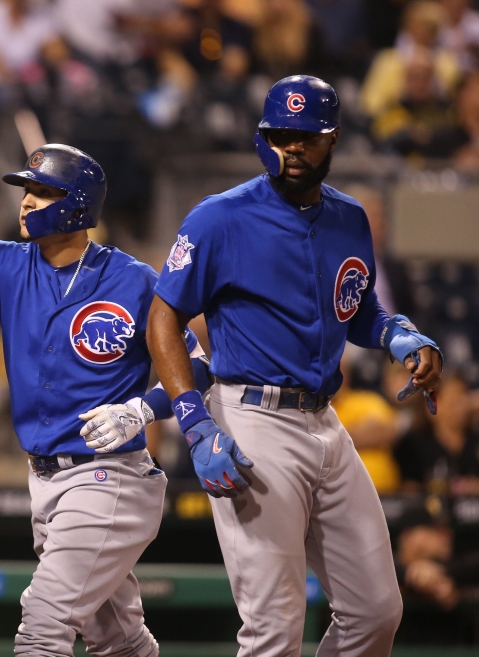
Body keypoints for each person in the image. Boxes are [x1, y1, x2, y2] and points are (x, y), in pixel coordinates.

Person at [0, 79, 209, 657]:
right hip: (45, 480)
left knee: (41, 629)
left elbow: (199, 366)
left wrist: (142, 408)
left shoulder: (133, 279)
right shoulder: (6, 264)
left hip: (109, 475)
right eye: (26, 190)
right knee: (119, 641)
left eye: (41, 191)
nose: (27, 201)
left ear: (77, 203)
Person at [146, 75, 444, 657]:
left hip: (326, 424)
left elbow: (356, 307)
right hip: (251, 420)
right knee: (274, 630)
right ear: (263, 136)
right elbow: (163, 318)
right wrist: (194, 421)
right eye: (282, 134)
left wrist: (398, 334)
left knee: (376, 612)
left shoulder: (349, 218)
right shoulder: (219, 218)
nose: (295, 148)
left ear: (332, 141)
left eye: (309, 136)